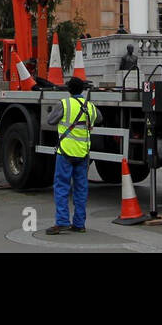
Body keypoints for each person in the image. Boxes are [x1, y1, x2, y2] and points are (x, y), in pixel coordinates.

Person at [45, 76, 98, 235]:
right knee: (81, 188)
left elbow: (50, 121)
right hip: (83, 153)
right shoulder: (90, 107)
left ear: (69, 90)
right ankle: (79, 224)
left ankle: (62, 222)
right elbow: (98, 118)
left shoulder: (64, 104)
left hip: (66, 152)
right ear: (82, 89)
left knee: (62, 186)